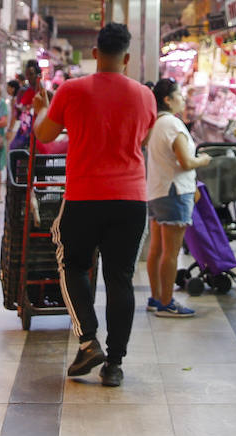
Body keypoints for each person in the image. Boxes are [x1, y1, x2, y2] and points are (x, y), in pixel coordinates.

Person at [33, 23, 155, 387]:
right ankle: (114, 364)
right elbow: (143, 138)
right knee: (120, 278)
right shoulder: (145, 96)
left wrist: (42, 109)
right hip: (131, 199)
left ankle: (88, 340)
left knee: (72, 267)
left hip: (84, 196)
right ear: (128, 58)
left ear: (95, 54)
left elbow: (44, 135)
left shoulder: (71, 90)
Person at [145, 78, 211, 317]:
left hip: (157, 190)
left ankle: (156, 297)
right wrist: (203, 160)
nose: (183, 99)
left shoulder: (155, 123)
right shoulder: (173, 124)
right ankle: (167, 302)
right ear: (168, 99)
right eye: (179, 95)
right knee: (171, 252)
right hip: (174, 191)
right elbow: (186, 161)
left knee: (157, 249)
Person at [8, 59, 44, 150]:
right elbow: (17, 113)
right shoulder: (22, 91)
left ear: (38, 74)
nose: (29, 77)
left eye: (31, 74)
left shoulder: (43, 92)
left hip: (39, 128)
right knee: (15, 150)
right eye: (27, 74)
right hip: (25, 128)